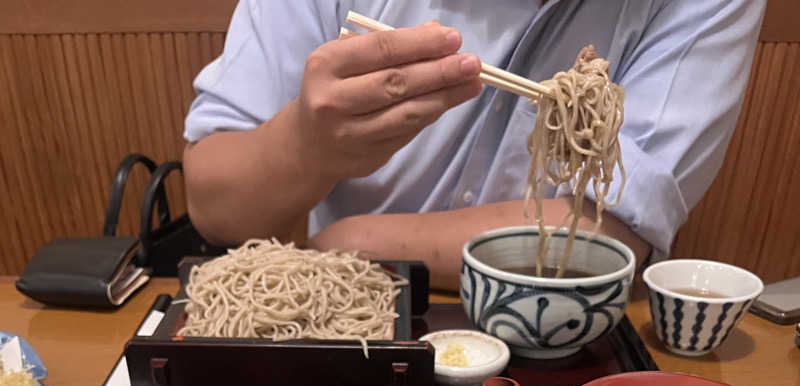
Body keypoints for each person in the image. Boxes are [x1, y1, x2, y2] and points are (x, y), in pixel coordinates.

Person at [183, 0, 765, 289]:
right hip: (324, 320)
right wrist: (307, 149)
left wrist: (340, 242)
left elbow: (610, 227)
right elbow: (214, 205)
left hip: (556, 341)